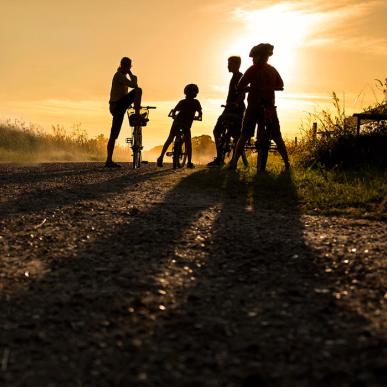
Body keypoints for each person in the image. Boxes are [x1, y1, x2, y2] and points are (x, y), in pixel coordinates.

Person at [229, 43, 290, 170]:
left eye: (254, 57)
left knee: (245, 135)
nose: (252, 60)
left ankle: (234, 162)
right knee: (276, 136)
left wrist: (251, 88)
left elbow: (240, 86)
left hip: (254, 107)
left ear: (261, 57)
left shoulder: (252, 69)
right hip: (269, 107)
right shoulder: (272, 70)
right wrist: (269, 88)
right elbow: (281, 85)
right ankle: (287, 163)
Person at [207, 56, 245, 166]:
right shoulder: (234, 76)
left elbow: (242, 94)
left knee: (235, 135)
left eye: (230, 64)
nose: (228, 66)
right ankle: (220, 157)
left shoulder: (239, 77)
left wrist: (236, 103)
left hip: (236, 109)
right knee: (218, 130)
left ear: (237, 65)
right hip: (229, 108)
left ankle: (229, 160)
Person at [105, 57, 142, 168]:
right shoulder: (119, 76)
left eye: (129, 66)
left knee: (114, 134)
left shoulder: (122, 76)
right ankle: (137, 114)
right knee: (138, 90)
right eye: (127, 66)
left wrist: (129, 72)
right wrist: (131, 73)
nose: (128, 68)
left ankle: (108, 160)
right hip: (117, 106)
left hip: (118, 105)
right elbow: (134, 85)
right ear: (122, 65)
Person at [157, 84, 202, 169]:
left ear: (185, 92)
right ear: (196, 93)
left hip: (177, 122)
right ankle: (189, 162)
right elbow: (200, 113)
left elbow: (174, 111)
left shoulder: (182, 102)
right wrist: (198, 117)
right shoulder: (196, 102)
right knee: (188, 142)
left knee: (170, 138)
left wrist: (173, 115)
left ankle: (161, 157)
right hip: (186, 125)